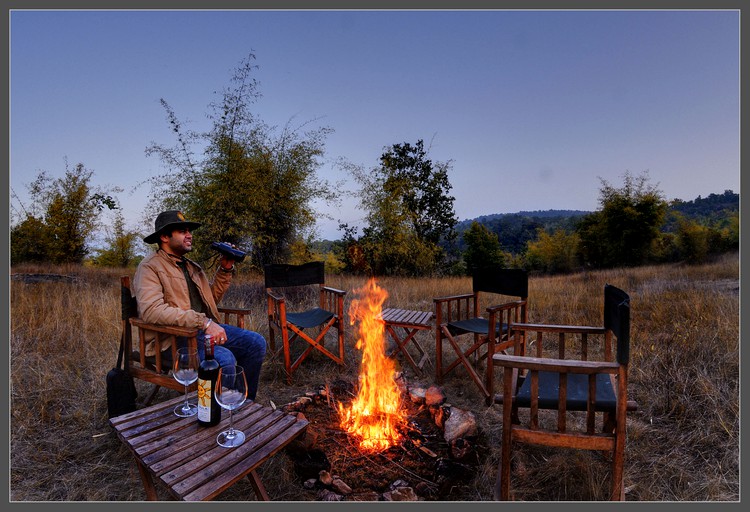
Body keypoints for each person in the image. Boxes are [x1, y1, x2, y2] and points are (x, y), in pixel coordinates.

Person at [132, 210, 266, 401]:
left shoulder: (191, 266)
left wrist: (225, 268)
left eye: (189, 230)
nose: (189, 235)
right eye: (182, 231)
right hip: (173, 339)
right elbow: (151, 311)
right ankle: (215, 413)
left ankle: (244, 405)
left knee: (255, 343)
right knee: (224, 358)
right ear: (164, 237)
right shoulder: (150, 267)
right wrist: (203, 322)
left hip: (200, 332)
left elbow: (210, 299)